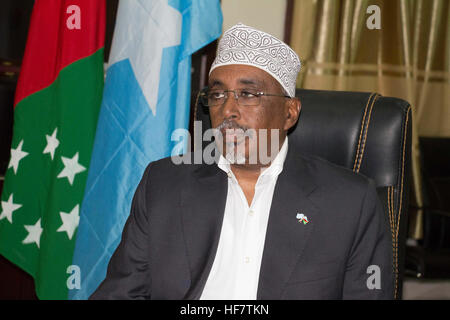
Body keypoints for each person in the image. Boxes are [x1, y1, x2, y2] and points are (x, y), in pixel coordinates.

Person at [90, 23, 393, 300]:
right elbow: (121, 293)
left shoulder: (349, 201)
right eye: (218, 94)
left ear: (290, 112)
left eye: (248, 94)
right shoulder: (164, 183)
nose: (228, 110)